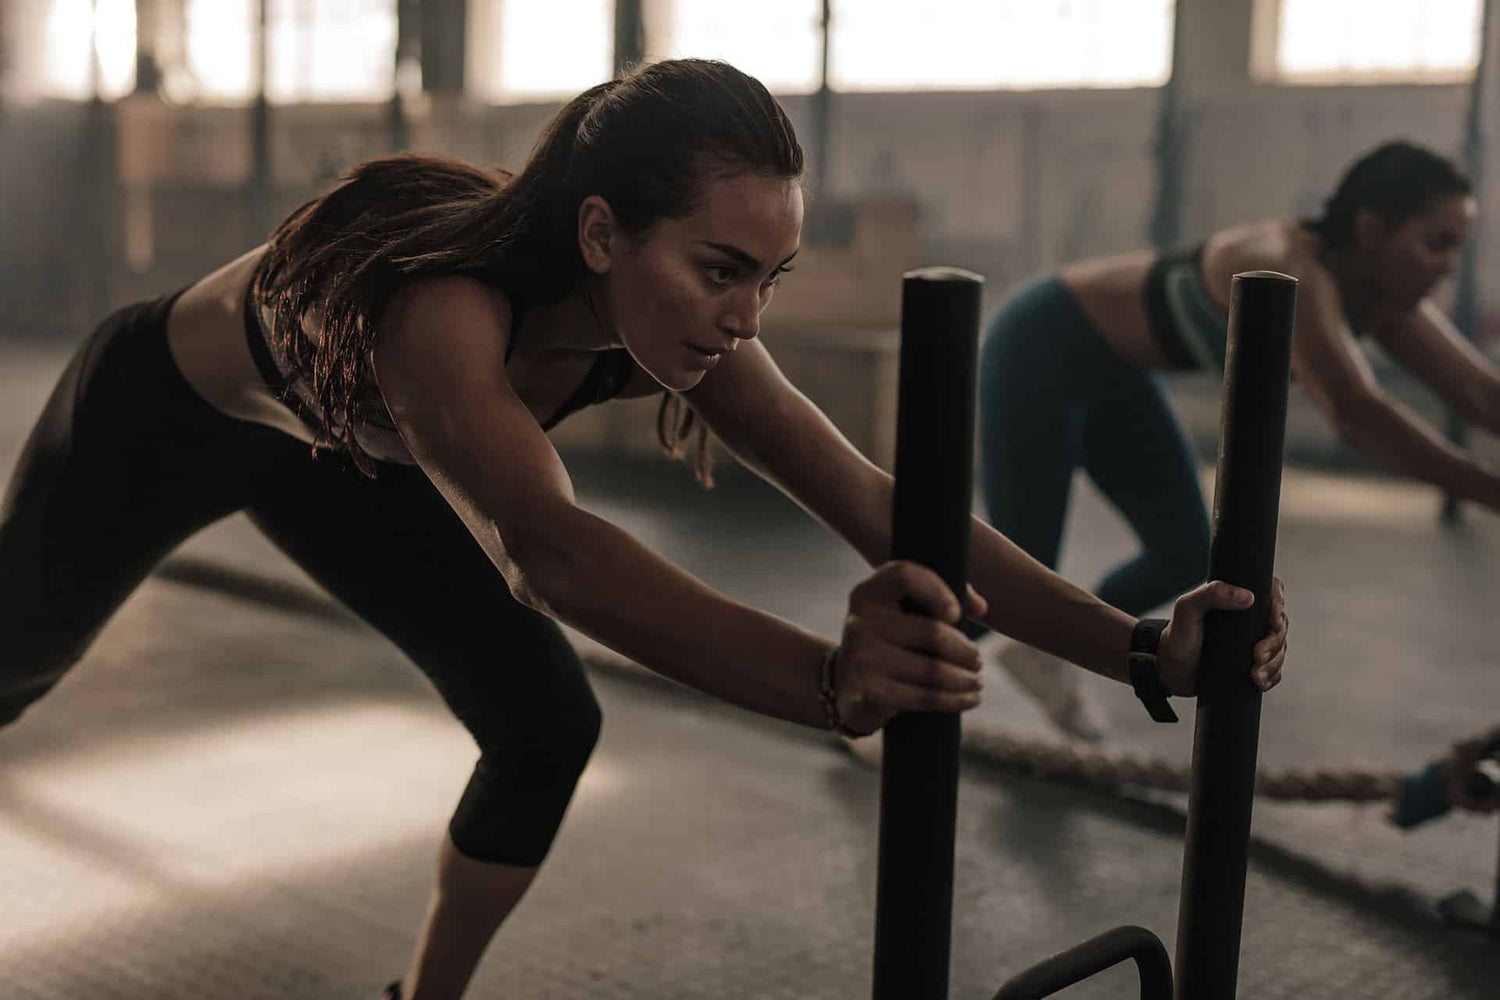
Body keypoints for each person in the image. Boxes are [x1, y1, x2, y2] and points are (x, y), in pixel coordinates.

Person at [0, 59, 1287, 1000]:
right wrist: (830, 682)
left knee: (546, 723)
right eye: (720, 269)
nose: (743, 318)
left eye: (766, 281)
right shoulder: (443, 312)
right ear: (602, 232)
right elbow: (546, 549)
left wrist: (1136, 649)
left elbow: (887, 505)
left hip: (356, 454)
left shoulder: (679, 326)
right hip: (162, 414)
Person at [972, 139, 1478, 743]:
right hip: (1040, 347)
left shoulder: (1384, 298)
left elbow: (1486, 397)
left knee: (1185, 553)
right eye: (1436, 242)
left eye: (1456, 247)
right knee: (1019, 571)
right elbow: (1356, 411)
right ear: (1371, 229)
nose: (1448, 266)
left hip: (1119, 378)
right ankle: (891, 701)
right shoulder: (1286, 261)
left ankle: (1051, 647)